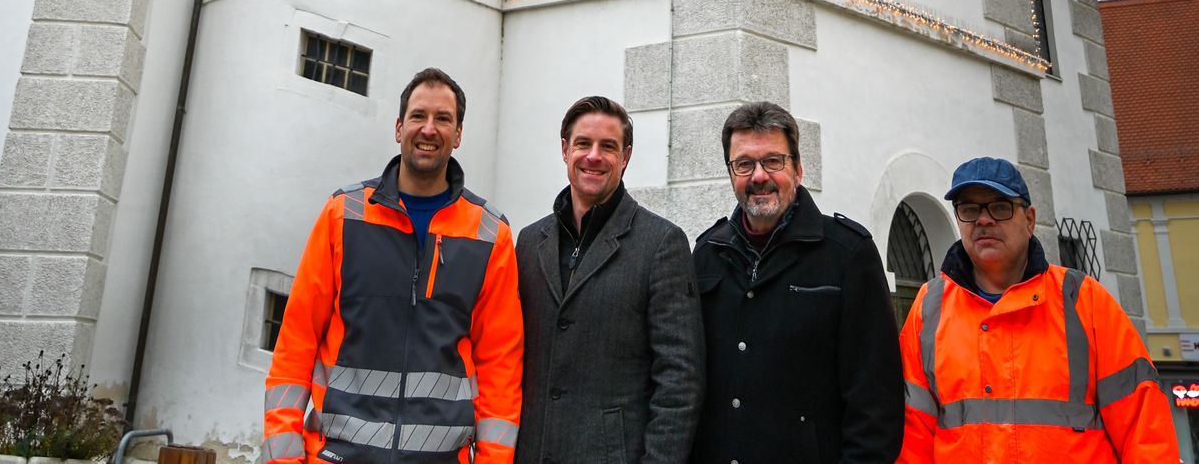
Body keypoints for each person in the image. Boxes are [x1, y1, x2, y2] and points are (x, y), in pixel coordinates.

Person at [263, 66, 522, 464]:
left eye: (443, 119)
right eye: (418, 116)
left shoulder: (490, 234)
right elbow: (296, 342)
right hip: (338, 456)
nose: (429, 129)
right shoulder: (342, 216)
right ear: (399, 127)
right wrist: (284, 456)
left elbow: (500, 367)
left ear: (458, 135)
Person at [899, 156, 1178, 463]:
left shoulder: (1083, 301)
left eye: (1000, 207)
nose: (983, 220)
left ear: (1029, 220)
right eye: (969, 209)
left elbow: (1144, 428)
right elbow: (912, 436)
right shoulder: (930, 307)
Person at [690, 99, 903, 464]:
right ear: (731, 174)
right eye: (744, 164)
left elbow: (876, 402)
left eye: (774, 161)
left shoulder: (848, 254)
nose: (759, 176)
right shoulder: (707, 253)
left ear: (799, 169)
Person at [515, 93, 703, 464]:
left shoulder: (661, 243)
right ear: (565, 150)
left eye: (609, 146)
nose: (594, 156)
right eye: (583, 143)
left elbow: (680, 381)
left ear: (626, 157)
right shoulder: (528, 242)